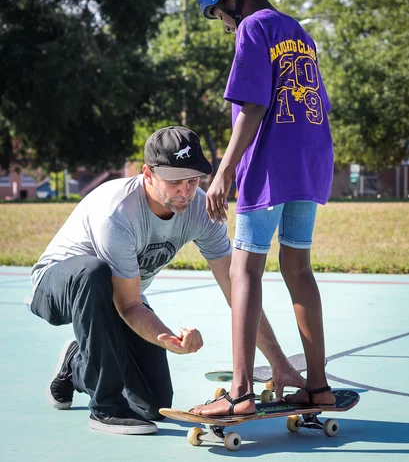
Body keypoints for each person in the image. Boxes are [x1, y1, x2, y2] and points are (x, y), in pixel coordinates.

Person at [29, 125, 305, 435]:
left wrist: (278, 362)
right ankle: (105, 408)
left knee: (153, 403)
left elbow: (237, 291)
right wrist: (169, 338)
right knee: (94, 274)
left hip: (121, 295)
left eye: (192, 180)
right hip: (58, 285)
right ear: (147, 174)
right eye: (175, 182)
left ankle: (76, 364)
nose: (186, 192)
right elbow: (129, 304)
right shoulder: (117, 212)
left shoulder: (199, 209)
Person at [193, 0, 335, 417]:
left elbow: (252, 108)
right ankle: (318, 386)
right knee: (299, 270)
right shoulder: (299, 33)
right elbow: (319, 105)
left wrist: (223, 171)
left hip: (270, 167)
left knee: (244, 270)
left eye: (219, 15)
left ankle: (239, 393)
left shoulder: (253, 29)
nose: (225, 26)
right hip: (310, 164)